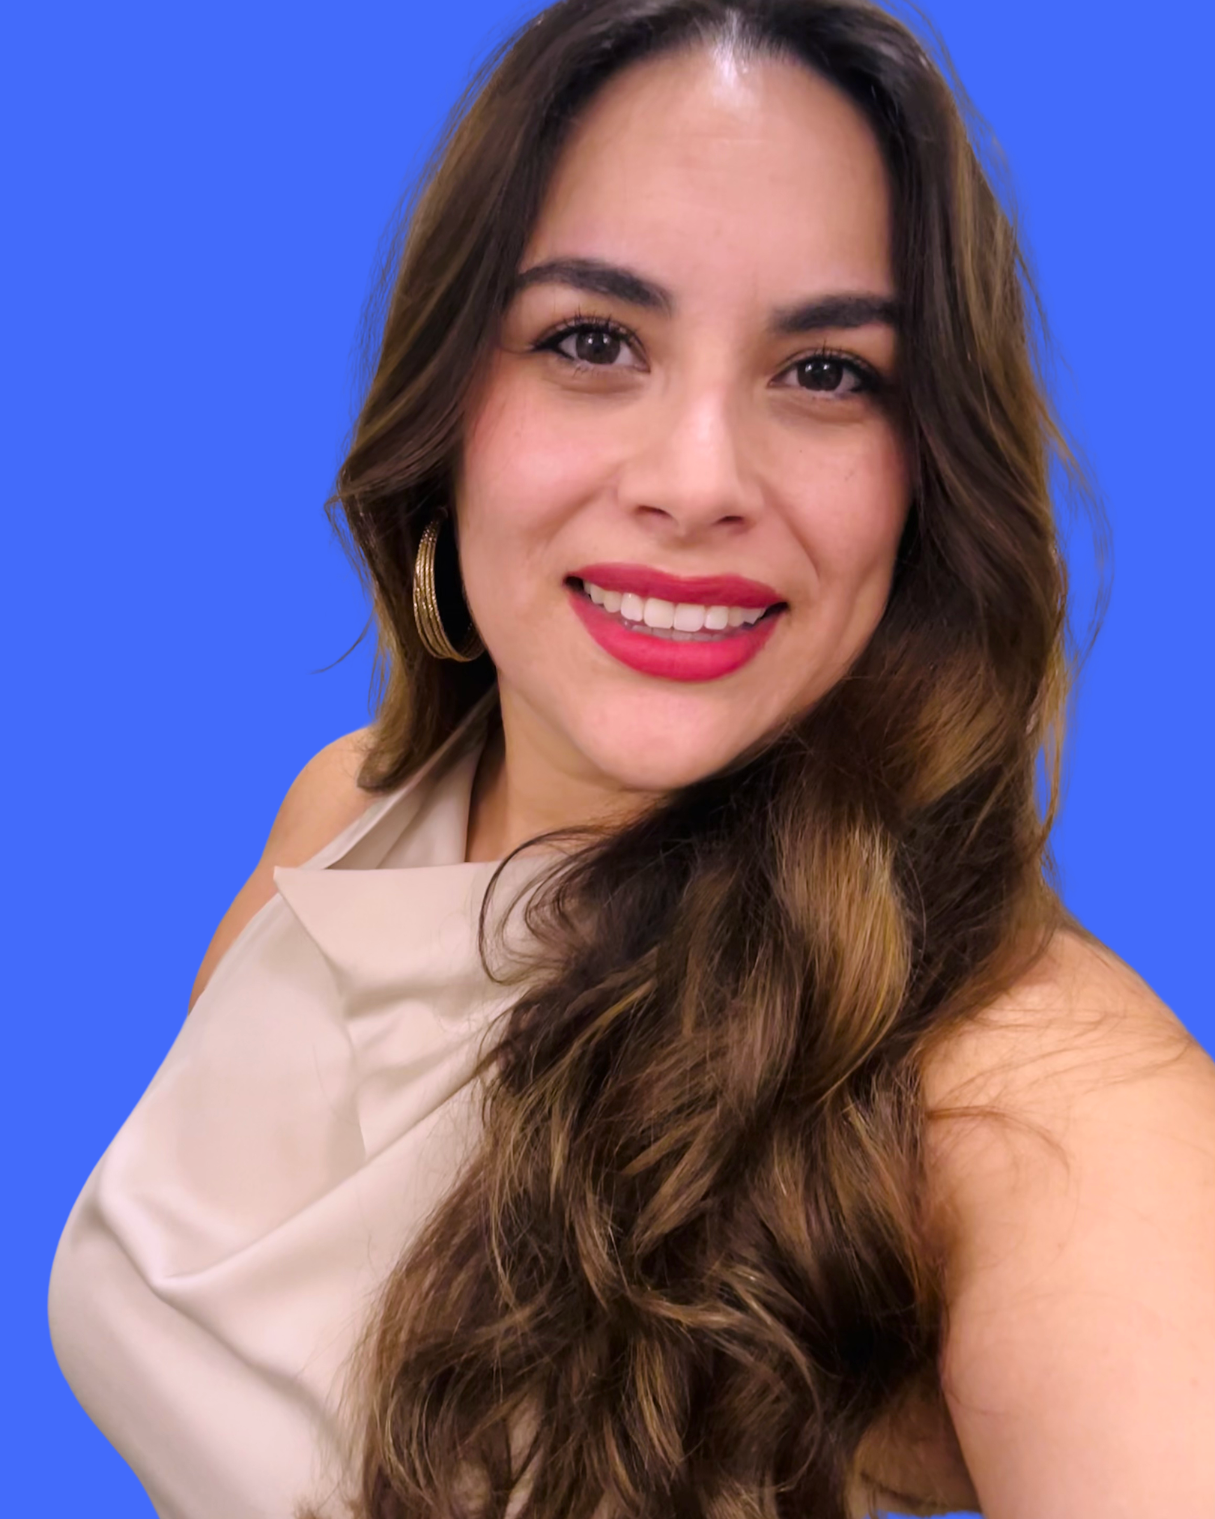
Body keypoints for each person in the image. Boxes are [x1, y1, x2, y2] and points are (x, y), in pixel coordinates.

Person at [48, 0, 1215, 1516]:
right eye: (592, 341)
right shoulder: (341, 812)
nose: (696, 481)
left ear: (924, 473)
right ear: (444, 408)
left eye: (827, 372)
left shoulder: (1040, 1102)